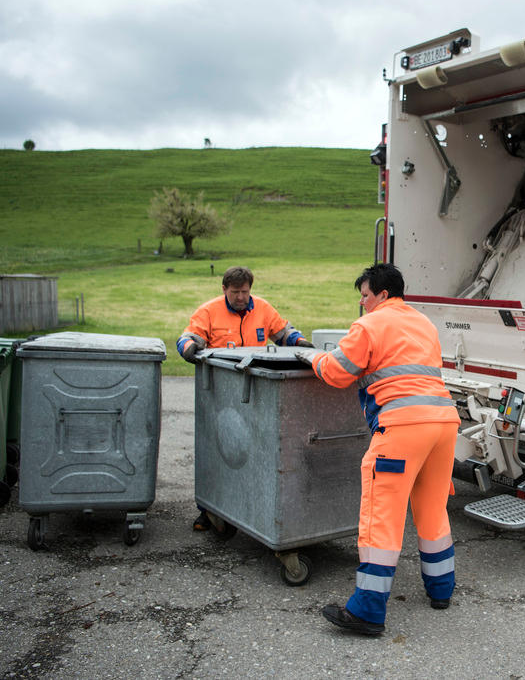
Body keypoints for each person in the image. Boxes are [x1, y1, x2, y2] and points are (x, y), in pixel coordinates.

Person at [295, 263, 459, 636]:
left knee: (380, 517)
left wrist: (310, 357)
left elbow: (336, 371)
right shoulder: (424, 323)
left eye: (365, 295)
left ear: (383, 294)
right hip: (444, 424)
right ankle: (441, 591)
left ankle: (367, 611)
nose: (362, 302)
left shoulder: (370, 324)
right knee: (432, 510)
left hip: (402, 428)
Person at [177, 265, 313, 531]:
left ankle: (249, 508)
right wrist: (190, 349)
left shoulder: (261, 308)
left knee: (253, 453)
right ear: (224, 289)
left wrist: (301, 343)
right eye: (235, 292)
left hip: (254, 393)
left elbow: (284, 332)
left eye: (245, 291)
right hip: (220, 391)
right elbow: (187, 338)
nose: (241, 297)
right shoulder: (208, 311)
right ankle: (208, 510)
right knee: (217, 450)